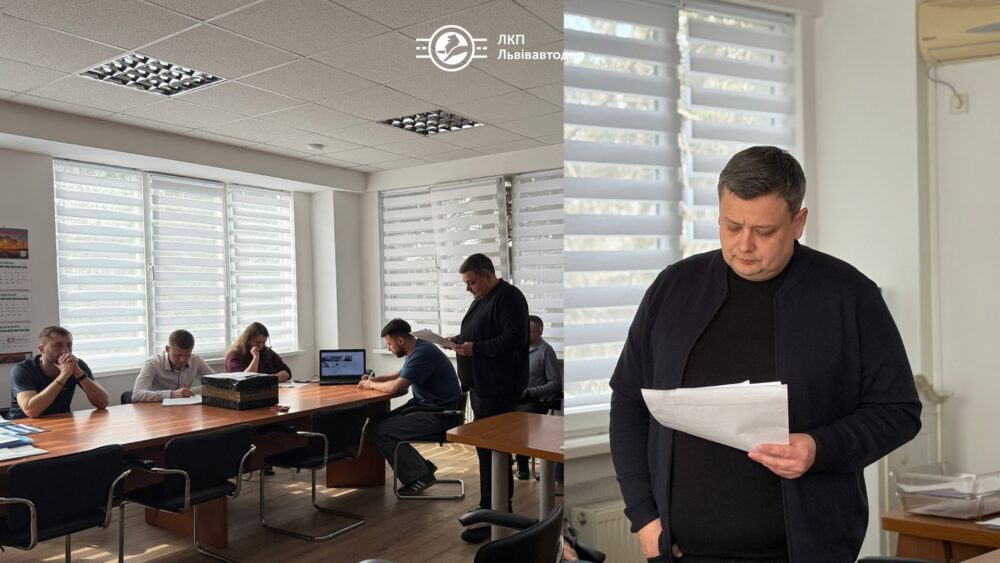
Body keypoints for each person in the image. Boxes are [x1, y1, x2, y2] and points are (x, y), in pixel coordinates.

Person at [608, 146, 922, 563]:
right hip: (680, 552)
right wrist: (644, 517)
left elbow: (899, 411)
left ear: (798, 223)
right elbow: (629, 403)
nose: (744, 245)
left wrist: (820, 447)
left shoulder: (850, 295)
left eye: (764, 231)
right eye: (732, 226)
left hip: (807, 552)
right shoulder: (672, 288)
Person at [449, 253, 529, 544]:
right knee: (487, 452)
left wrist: (475, 348)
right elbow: (480, 333)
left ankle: (496, 512)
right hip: (482, 387)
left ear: (487, 275)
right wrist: (458, 341)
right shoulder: (482, 299)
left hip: (498, 389)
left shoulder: (508, 297)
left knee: (493, 452)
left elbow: (513, 339)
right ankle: (493, 509)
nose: (468, 288)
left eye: (471, 282)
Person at [360, 319, 462, 495]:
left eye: (389, 344)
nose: (388, 349)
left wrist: (371, 386)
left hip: (440, 415)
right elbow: (400, 374)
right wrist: (375, 379)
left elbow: (396, 387)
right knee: (372, 426)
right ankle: (422, 467)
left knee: (381, 431)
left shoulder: (423, 353)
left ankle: (419, 476)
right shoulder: (418, 348)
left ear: (400, 340)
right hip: (427, 407)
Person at [7, 326, 110, 419]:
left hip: (59, 422)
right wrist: (64, 375)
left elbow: (103, 403)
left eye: (69, 345)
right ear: (42, 349)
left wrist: (79, 373)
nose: (66, 351)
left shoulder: (76, 364)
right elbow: (31, 411)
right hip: (22, 425)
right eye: (58, 345)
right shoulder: (23, 369)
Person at [514, 315, 561, 480]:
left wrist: (529, 392)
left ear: (540, 332)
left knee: (520, 421)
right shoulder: (516, 348)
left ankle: (522, 465)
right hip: (513, 397)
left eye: (528, 331)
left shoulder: (546, 351)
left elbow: (555, 383)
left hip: (533, 400)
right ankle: (501, 461)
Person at [132, 329, 214, 402]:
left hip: (185, 409)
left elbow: (217, 383)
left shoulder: (196, 360)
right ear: (167, 349)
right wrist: (172, 394)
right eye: (178, 355)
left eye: (187, 355)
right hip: (157, 409)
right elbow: (137, 394)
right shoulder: (153, 363)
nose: (182, 360)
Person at [225, 322, 291, 382]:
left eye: (263, 342)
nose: (260, 346)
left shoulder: (267, 351)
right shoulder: (234, 355)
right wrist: (256, 357)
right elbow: (246, 380)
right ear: (248, 340)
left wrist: (270, 380)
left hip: (270, 388)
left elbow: (287, 372)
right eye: (257, 342)